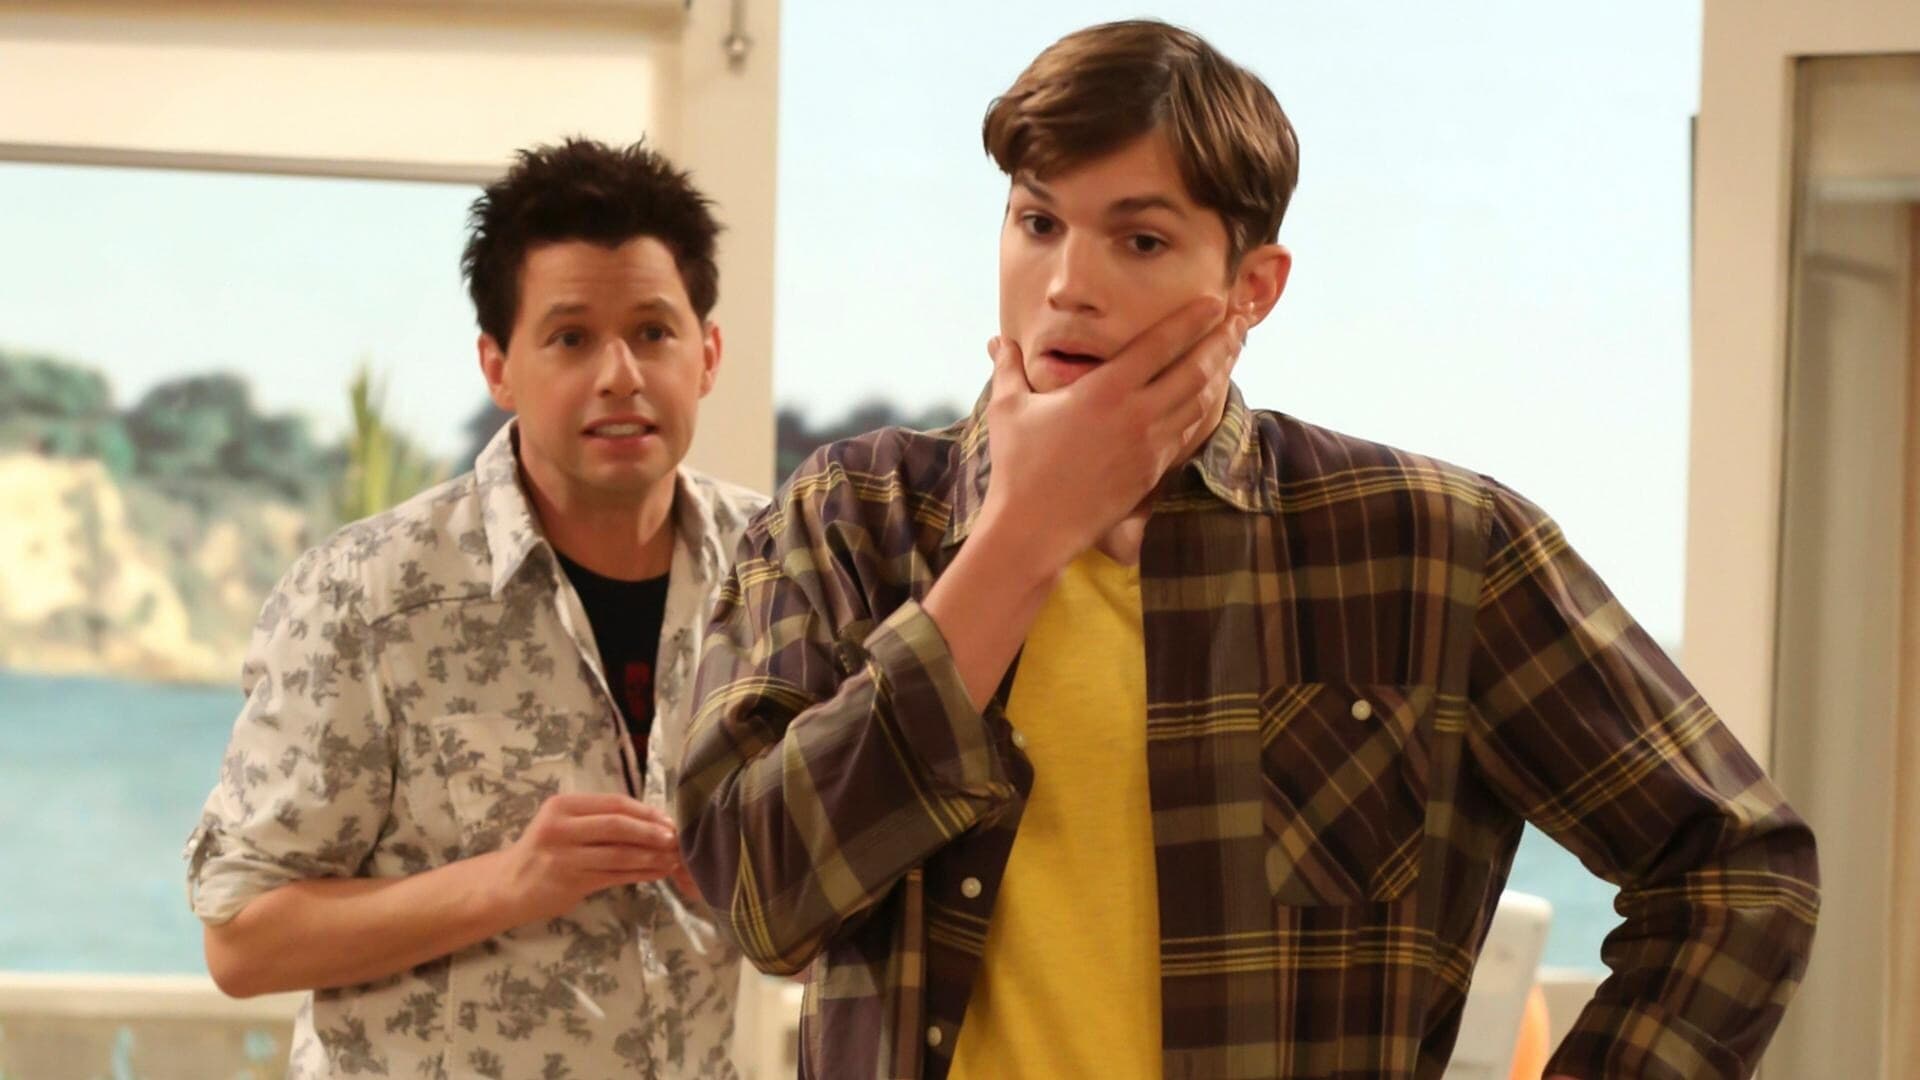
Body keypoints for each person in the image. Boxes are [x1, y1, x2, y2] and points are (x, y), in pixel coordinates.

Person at [676, 20, 1819, 1080]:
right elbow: (759, 902)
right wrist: (1021, 538)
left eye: (1140, 239)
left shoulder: (1436, 548)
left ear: (1251, 288)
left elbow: (1737, 868)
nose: (1067, 285)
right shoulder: (853, 515)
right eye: (1038, 223)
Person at [185, 138, 765, 1078]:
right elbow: (243, 941)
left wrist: (753, 880)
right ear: (498, 367)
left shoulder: (780, 572)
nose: (620, 373)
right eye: (571, 338)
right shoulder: (364, 594)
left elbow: (846, 903)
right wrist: (511, 882)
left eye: (653, 332)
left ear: (707, 354)